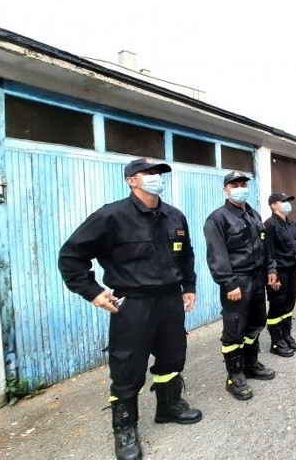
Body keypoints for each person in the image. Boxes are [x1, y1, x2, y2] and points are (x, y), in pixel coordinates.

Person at [58, 157, 202, 460]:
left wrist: (188, 286)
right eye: (148, 173)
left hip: (170, 300)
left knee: (172, 356)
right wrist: (92, 291)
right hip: (133, 303)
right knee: (127, 367)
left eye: (159, 173)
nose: (155, 177)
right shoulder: (111, 216)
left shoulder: (174, 216)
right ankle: (125, 429)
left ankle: (168, 407)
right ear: (131, 180)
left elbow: (185, 255)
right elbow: (71, 256)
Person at [204, 171, 278, 401]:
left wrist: (271, 269)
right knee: (234, 329)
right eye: (234, 184)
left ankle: (250, 364)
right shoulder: (218, 218)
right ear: (225, 189)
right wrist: (229, 283)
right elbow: (217, 255)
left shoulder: (254, 215)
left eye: (244, 184)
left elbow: (266, 247)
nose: (240, 188)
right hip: (237, 281)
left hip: (257, 279)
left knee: (256, 323)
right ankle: (234, 377)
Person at [263, 192, 296, 357]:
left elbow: (294, 249)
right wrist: (272, 273)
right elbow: (267, 252)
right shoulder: (269, 225)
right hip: (278, 272)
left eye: (288, 201)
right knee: (277, 305)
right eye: (283, 201)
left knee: (289, 304)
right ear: (274, 205)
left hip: (291, 270)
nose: (287, 203)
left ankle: (286, 335)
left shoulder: (290, 224)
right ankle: (276, 341)